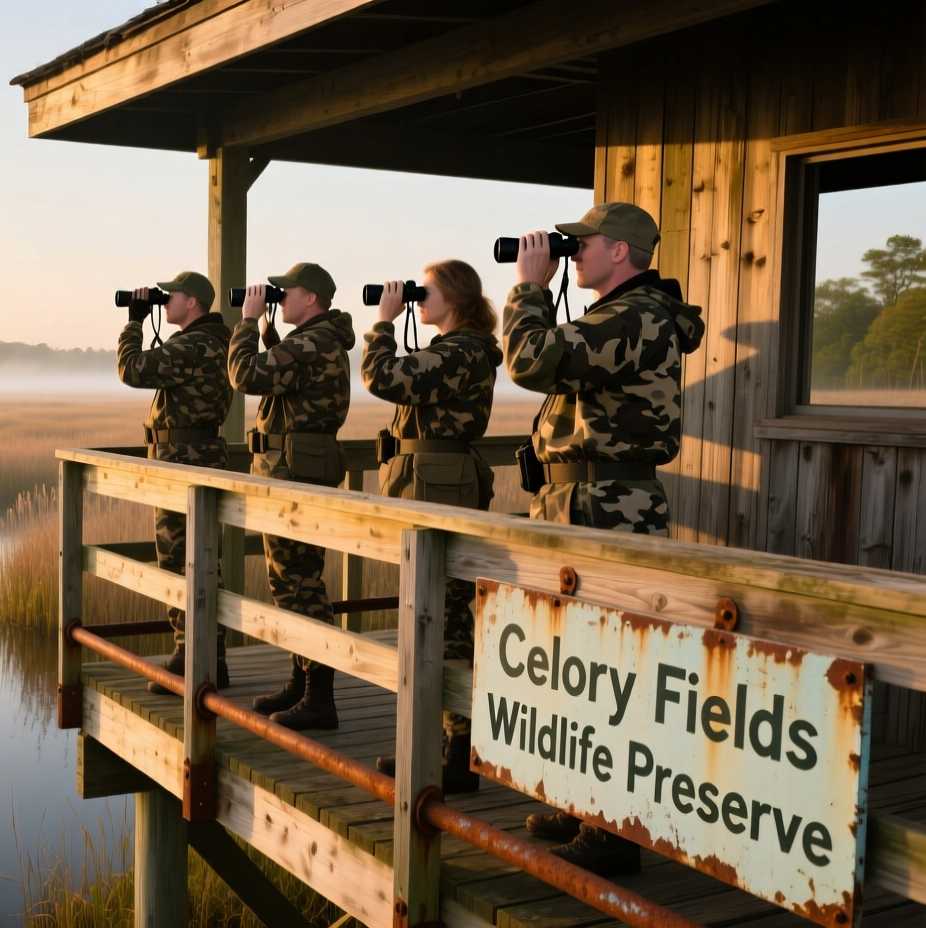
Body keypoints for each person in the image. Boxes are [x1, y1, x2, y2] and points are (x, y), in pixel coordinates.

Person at [506, 202, 705, 875]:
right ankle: (580, 798)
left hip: (609, 507)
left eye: (581, 242)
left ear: (620, 251)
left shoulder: (637, 313)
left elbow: (530, 360)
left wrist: (531, 286)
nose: (571, 252)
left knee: (610, 669)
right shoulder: (613, 314)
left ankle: (614, 832)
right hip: (579, 502)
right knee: (572, 664)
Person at [361, 261, 502, 793]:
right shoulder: (453, 348)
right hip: (429, 482)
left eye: (428, 290)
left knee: (440, 623)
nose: (419, 297)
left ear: (457, 297)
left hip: (437, 486)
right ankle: (447, 748)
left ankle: (457, 751)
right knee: (435, 621)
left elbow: (382, 377)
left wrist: (383, 322)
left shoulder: (462, 350)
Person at [227, 262, 355, 730]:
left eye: (288, 292)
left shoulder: (312, 342)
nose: (279, 298)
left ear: (312, 299)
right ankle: (302, 683)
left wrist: (245, 321)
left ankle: (319, 696)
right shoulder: (317, 340)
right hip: (294, 471)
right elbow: (287, 378)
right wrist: (265, 327)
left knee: (299, 584)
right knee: (293, 580)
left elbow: (245, 375)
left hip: (293, 475)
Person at [116, 271, 235, 695]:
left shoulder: (192, 344)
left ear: (194, 303)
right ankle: (211, 658)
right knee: (204, 560)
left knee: (179, 561)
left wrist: (134, 321)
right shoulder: (216, 342)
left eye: (173, 296)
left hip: (181, 461)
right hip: (200, 457)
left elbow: (131, 370)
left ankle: (190, 657)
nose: (166, 302)